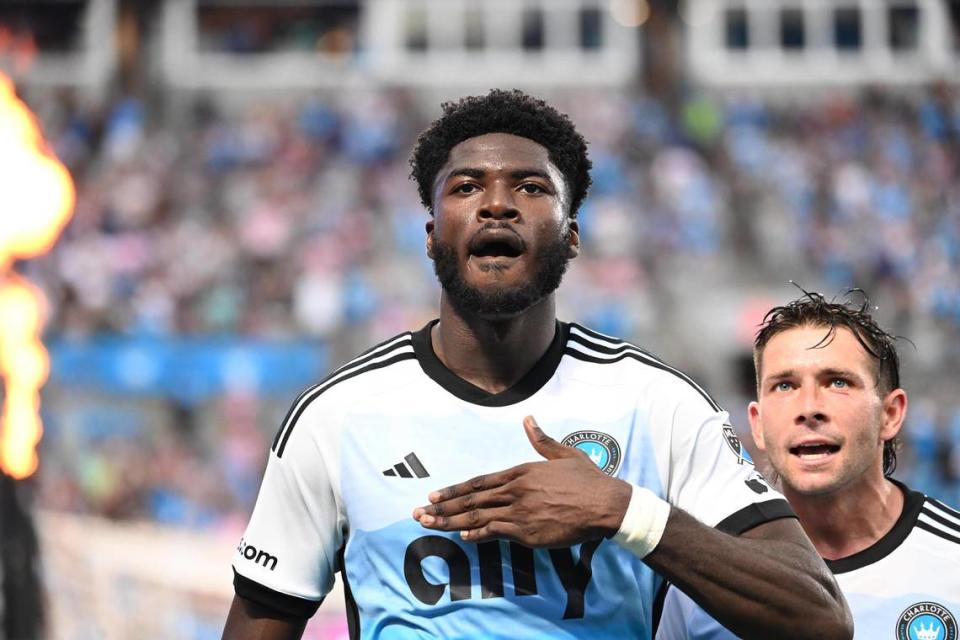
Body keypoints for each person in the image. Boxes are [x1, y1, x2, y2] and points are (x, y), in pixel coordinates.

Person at [222, 90, 851, 639]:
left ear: (572, 235)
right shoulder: (336, 417)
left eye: (531, 187)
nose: (497, 205)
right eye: (466, 187)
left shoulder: (657, 404)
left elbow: (818, 617)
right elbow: (259, 622)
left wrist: (621, 512)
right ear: (431, 234)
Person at [657, 292, 960, 639]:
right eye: (785, 385)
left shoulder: (953, 564)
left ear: (890, 415)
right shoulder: (702, 577)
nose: (809, 407)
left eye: (837, 382)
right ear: (757, 424)